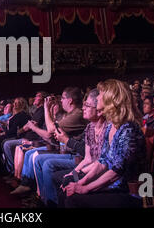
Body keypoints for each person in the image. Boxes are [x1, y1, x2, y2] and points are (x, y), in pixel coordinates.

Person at [59, 79, 146, 208]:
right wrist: (81, 182)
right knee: (68, 187)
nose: (97, 96)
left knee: (73, 199)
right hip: (113, 185)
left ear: (111, 99)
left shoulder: (128, 128)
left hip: (130, 190)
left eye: (101, 93)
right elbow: (103, 161)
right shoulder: (111, 127)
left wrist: (86, 188)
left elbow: (116, 172)